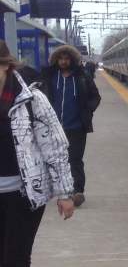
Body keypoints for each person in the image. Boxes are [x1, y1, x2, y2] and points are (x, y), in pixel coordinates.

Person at [0, 41, 76, 267]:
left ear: (7, 66)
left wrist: (65, 192)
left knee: (13, 260)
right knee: (12, 262)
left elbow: (56, 147)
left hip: (23, 193)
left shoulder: (32, 100)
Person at [40, 45, 101, 207]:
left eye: (66, 59)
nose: (64, 61)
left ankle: (77, 191)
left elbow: (95, 96)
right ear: (56, 60)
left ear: (72, 60)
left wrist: (87, 112)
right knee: (56, 160)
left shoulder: (81, 76)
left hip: (76, 127)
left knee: (75, 160)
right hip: (53, 127)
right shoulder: (49, 77)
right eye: (61, 59)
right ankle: (60, 190)